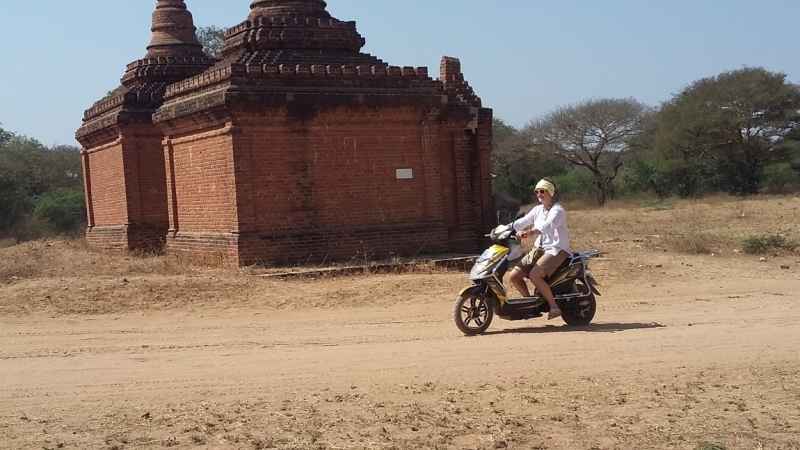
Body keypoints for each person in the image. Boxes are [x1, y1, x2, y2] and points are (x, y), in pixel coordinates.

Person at [508, 177, 571, 320]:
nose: (539, 194)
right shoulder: (537, 210)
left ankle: (554, 307)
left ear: (550, 192)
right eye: (537, 192)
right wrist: (505, 228)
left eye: (542, 191)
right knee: (514, 276)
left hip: (556, 249)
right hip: (539, 249)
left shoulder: (558, 210)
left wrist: (529, 232)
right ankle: (531, 306)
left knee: (534, 275)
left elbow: (547, 226)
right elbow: (522, 222)